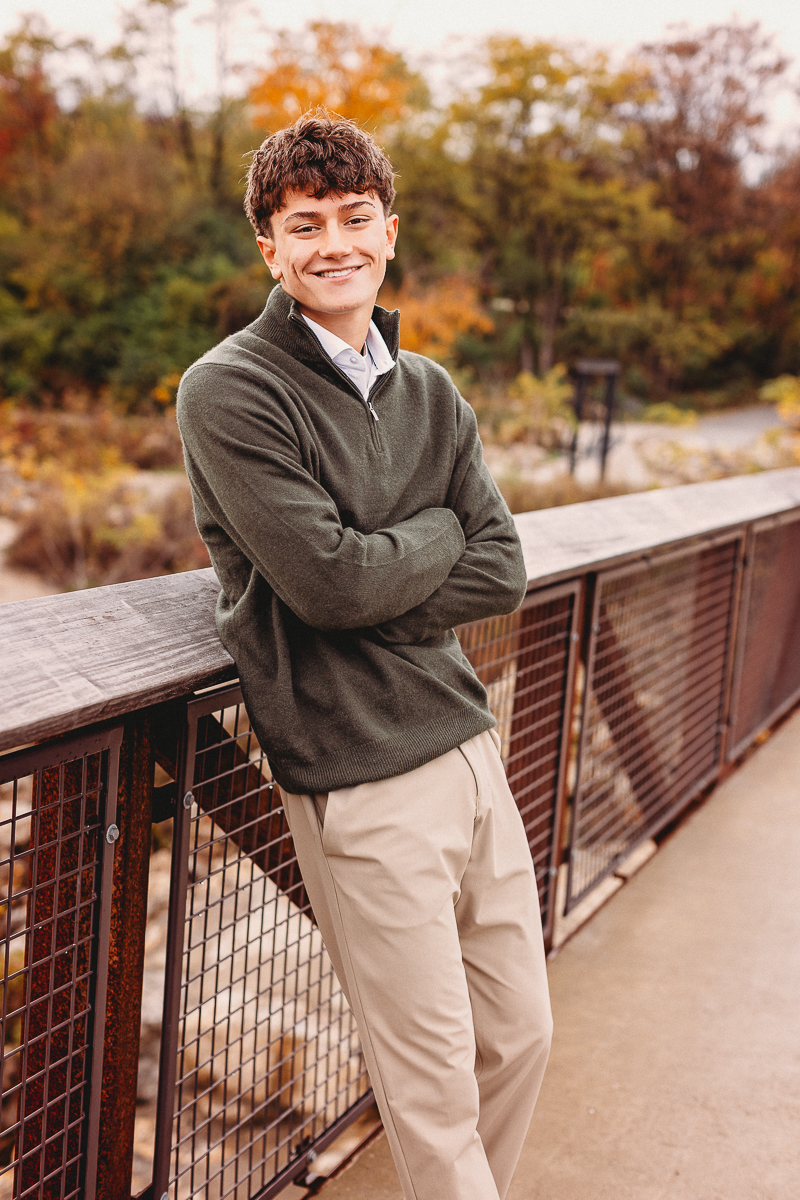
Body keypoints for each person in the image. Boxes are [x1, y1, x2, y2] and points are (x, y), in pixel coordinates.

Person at [176, 111, 552, 1200]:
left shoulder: (431, 391)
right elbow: (330, 586)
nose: (332, 242)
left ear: (389, 230)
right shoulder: (231, 389)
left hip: (467, 746)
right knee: (430, 1094)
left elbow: (505, 573)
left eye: (353, 218)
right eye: (304, 225)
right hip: (356, 769)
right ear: (269, 248)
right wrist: (435, 533)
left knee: (519, 1039)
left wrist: (383, 565)